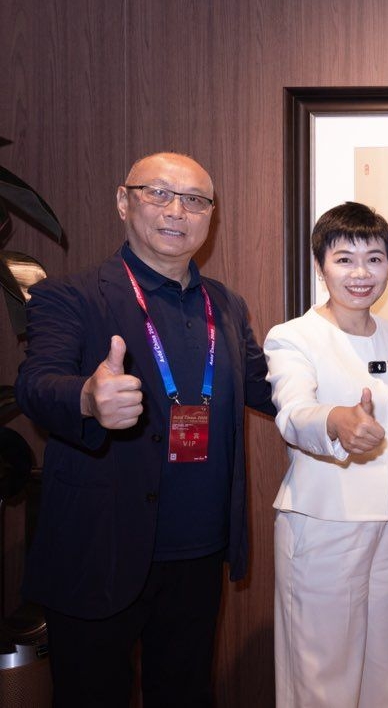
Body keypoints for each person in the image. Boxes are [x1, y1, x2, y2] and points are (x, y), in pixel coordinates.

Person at [15, 152, 275, 706]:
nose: (177, 211)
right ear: (123, 201)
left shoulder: (226, 306)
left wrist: (339, 394)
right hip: (98, 549)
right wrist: (87, 399)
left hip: (198, 552)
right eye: (158, 193)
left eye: (195, 200)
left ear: (211, 216)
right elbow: (35, 384)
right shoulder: (71, 295)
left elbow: (266, 387)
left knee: (185, 694)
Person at [264, 202, 388, 707]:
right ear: (320, 266)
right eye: (344, 259)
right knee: (323, 672)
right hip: (324, 520)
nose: (361, 273)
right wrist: (336, 421)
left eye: (374, 259)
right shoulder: (293, 336)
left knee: (384, 666)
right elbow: (294, 412)